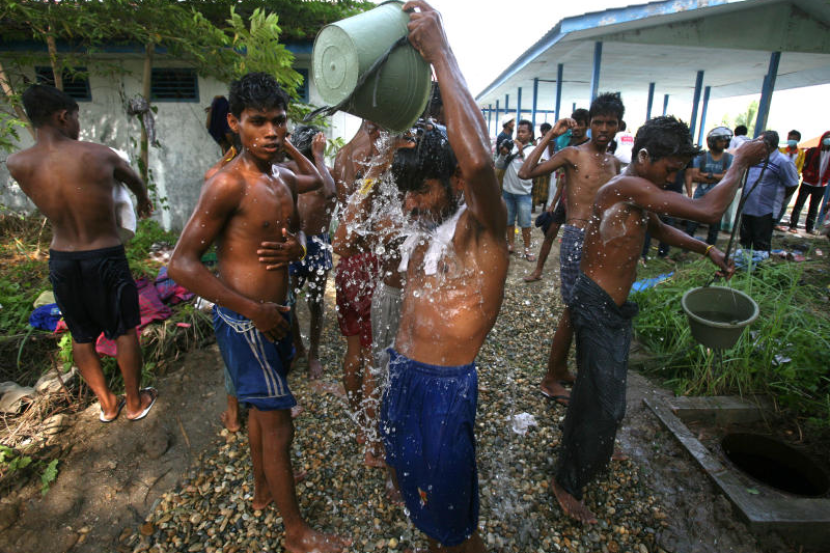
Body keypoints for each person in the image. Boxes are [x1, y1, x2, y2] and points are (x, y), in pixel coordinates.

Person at [551, 116, 769, 524]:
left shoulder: (639, 195)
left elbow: (662, 231)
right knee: (604, 401)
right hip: (595, 304)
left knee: (600, 391)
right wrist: (739, 161)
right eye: (669, 170)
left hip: (612, 308)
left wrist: (708, 251)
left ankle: (595, 445)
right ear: (644, 156)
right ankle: (566, 483)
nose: (672, 179)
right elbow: (709, 210)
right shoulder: (625, 186)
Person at [168, 72, 349, 553]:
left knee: (262, 415)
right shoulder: (227, 184)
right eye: (258, 122)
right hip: (249, 321)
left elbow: (320, 189)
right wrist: (253, 309)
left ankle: (264, 489)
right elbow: (181, 264)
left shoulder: (282, 177)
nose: (271, 132)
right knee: (279, 423)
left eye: (279, 121)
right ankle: (295, 533)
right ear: (235, 123)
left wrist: (296, 250)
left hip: (275, 315)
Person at [379, 3, 508, 550]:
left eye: (422, 191)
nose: (410, 205)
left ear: (454, 181)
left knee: (453, 525)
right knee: (416, 493)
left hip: (445, 388)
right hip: (402, 372)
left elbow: (478, 162)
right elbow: (355, 242)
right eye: (406, 192)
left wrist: (441, 55)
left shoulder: (481, 229)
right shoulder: (422, 228)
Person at [7, 84, 157, 423]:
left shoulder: (18, 163)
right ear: (63, 116)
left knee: (80, 334)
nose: (78, 124)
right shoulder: (99, 155)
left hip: (62, 259)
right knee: (124, 329)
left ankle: (107, 404)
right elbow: (133, 180)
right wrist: (143, 199)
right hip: (104, 254)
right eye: (76, 117)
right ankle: (135, 402)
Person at [518, 93, 624, 405]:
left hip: (602, 241)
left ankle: (562, 369)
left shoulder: (615, 163)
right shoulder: (573, 154)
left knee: (587, 309)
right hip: (577, 237)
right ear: (589, 124)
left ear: (619, 126)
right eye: (598, 122)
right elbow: (526, 172)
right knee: (574, 309)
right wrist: (551, 135)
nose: (603, 129)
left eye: (610, 123)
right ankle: (551, 378)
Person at [332, 121, 383, 459]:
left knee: (354, 349)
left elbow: (342, 208)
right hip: (369, 262)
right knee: (373, 356)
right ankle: (372, 439)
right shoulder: (379, 151)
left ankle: (359, 422)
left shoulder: (342, 154)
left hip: (347, 265)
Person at [285, 126, 337, 380]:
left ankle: (313, 354)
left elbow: (329, 192)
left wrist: (319, 157)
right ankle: (299, 348)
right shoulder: (287, 170)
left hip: (317, 243)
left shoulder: (325, 172)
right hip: (293, 241)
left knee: (315, 302)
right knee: (289, 302)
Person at [523, 109, 589, 283]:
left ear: (587, 126)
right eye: (574, 124)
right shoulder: (569, 146)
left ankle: (580, 280)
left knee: (580, 244)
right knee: (550, 235)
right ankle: (538, 270)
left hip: (582, 207)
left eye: (581, 124)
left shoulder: (590, 148)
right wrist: (553, 203)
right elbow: (564, 179)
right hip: (565, 201)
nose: (576, 128)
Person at [739, 131, 799, 252]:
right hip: (747, 206)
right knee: (745, 240)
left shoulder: (783, 161)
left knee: (760, 243)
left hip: (765, 210)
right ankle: (744, 261)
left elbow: (792, 184)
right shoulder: (755, 158)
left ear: (769, 145)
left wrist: (779, 198)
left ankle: (760, 263)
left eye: (759, 143)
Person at [685, 126, 734, 244]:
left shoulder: (729, 158)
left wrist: (708, 175)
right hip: (700, 196)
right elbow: (695, 176)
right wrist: (719, 177)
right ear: (712, 141)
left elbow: (729, 177)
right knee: (692, 223)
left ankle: (710, 248)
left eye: (725, 141)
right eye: (720, 141)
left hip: (719, 197)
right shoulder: (701, 156)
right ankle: (685, 247)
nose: (723, 144)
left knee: (714, 227)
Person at [496, 119, 536, 260]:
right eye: (518, 131)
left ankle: (527, 249)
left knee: (525, 223)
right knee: (508, 221)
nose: (520, 134)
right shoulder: (510, 146)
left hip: (523, 194)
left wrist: (521, 152)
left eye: (523, 132)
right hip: (508, 191)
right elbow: (499, 165)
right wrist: (502, 154)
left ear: (530, 134)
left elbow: (530, 168)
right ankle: (511, 245)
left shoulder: (533, 150)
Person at [788, 130, 830, 235]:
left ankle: (810, 228)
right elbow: (803, 164)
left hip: (821, 185)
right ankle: (793, 225)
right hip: (807, 182)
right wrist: (807, 173)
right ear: (822, 139)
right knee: (799, 205)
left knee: (814, 207)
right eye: (827, 137)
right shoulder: (812, 151)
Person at [774, 129, 805, 229]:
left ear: (798, 140)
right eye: (789, 138)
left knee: (785, 203)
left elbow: (800, 166)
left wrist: (795, 175)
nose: (791, 140)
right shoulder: (781, 151)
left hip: (791, 180)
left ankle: (776, 222)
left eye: (793, 138)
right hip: (779, 179)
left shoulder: (801, 153)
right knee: (775, 200)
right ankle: (772, 220)